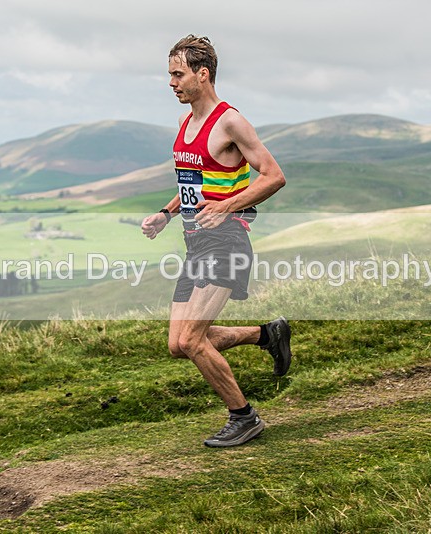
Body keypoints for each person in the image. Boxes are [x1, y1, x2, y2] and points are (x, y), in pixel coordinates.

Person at [141, 35, 292, 447]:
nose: (171, 83)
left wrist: (229, 206)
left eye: (178, 74)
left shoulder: (230, 122)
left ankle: (243, 418)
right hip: (195, 243)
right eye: (170, 75)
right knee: (178, 344)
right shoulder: (185, 125)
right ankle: (267, 335)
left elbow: (273, 175)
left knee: (192, 338)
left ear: (202, 74)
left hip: (226, 241)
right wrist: (166, 214)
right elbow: (194, 183)